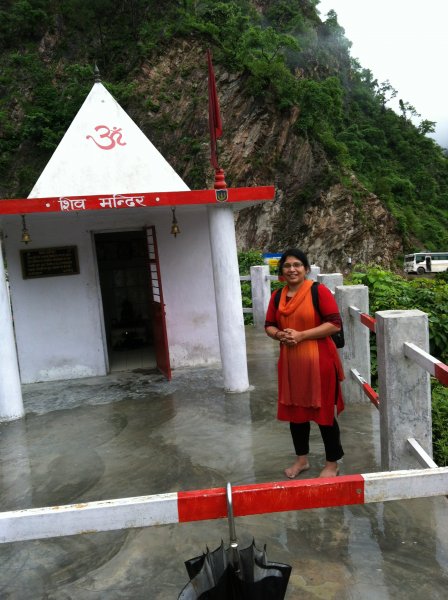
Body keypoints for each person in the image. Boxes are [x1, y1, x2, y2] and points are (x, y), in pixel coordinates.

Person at [265, 249, 345, 478]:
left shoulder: (318, 292)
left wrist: (302, 335)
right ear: (282, 271)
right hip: (291, 363)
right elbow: (269, 324)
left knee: (324, 415)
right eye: (287, 265)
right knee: (296, 414)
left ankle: (332, 464)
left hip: (320, 362)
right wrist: (280, 335)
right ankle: (302, 460)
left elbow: (335, 324)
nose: (292, 269)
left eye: (297, 265)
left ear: (306, 269)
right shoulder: (278, 296)